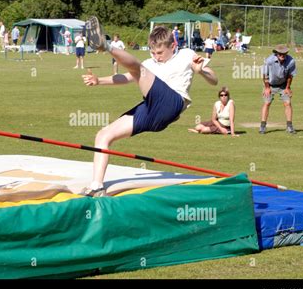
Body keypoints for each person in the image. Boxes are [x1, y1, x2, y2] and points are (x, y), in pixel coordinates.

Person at [80, 17, 218, 197]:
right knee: (103, 135)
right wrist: (99, 81)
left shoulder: (185, 54)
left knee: (140, 69)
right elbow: (127, 77)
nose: (156, 56)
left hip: (172, 103)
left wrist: (202, 71)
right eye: (153, 52)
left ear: (173, 45)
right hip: (152, 111)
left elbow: (214, 80)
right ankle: (97, 186)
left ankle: (105, 46)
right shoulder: (149, 64)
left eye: (160, 52)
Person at [259, 44, 297, 134]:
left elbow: (290, 76)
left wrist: (287, 88)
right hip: (270, 84)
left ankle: (289, 126)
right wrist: (267, 88)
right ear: (276, 54)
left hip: (283, 85)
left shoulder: (291, 61)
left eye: (284, 54)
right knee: (267, 103)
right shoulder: (269, 61)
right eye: (280, 54)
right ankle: (263, 126)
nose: (282, 56)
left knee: (287, 103)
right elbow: (265, 75)